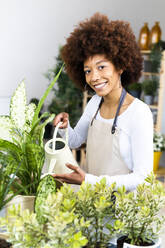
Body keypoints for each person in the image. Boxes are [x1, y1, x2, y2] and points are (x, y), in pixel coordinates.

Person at [53, 13, 153, 191]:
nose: (94, 77)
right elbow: (75, 141)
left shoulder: (139, 113)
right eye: (87, 71)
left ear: (120, 66)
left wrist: (89, 181)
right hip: (93, 202)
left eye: (101, 67)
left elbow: (143, 178)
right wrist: (64, 127)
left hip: (123, 209)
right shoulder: (95, 103)